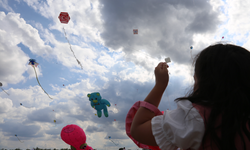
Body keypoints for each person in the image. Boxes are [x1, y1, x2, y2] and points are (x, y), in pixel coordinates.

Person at [129, 44, 250, 150]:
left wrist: (160, 85)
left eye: (195, 78)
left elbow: (138, 129)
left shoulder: (194, 117)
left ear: (205, 83)